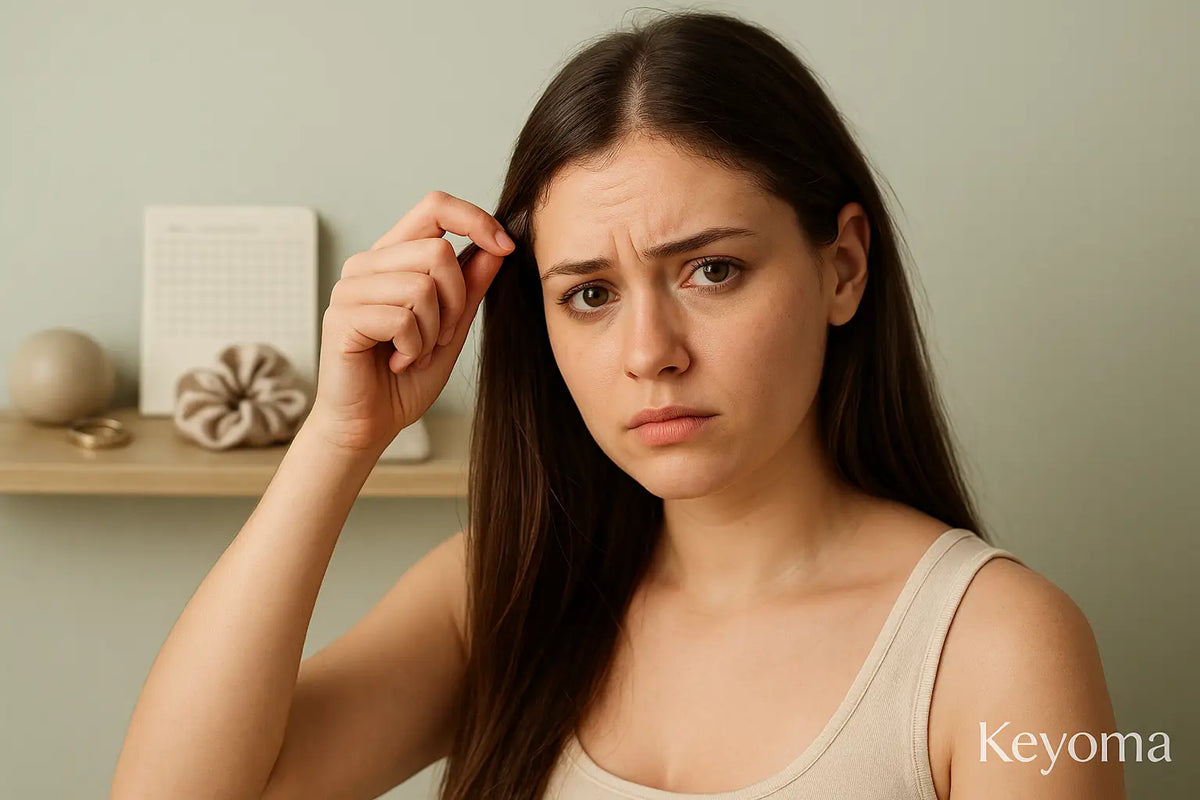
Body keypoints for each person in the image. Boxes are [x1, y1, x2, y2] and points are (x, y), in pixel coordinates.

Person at [110, 9, 1124, 800]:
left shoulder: (996, 644)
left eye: (713, 270)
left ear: (844, 265)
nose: (649, 354)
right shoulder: (502, 593)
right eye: (589, 294)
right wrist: (340, 436)